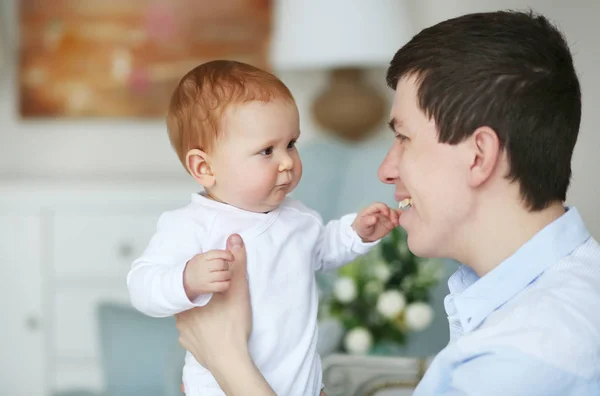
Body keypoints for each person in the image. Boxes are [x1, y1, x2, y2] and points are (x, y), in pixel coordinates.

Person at [175, 10, 600, 395]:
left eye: (403, 138)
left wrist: (228, 362)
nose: (386, 169)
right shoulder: (547, 300)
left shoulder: (522, 359)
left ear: (479, 156)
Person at [126, 60, 400, 396]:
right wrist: (186, 279)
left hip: (302, 388)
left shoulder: (298, 218)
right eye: (267, 150)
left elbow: (323, 250)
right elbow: (141, 286)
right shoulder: (190, 225)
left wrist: (356, 233)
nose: (287, 161)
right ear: (204, 167)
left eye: (291, 144)